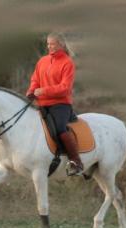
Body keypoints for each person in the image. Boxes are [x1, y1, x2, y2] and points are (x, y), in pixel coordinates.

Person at [26, 32, 83, 176]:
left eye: (52, 44)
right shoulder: (42, 61)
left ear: (61, 44)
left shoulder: (67, 63)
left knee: (59, 128)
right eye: (48, 44)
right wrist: (31, 91)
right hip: (42, 103)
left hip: (61, 104)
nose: (49, 46)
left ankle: (76, 161)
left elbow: (65, 88)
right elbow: (35, 79)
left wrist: (43, 91)